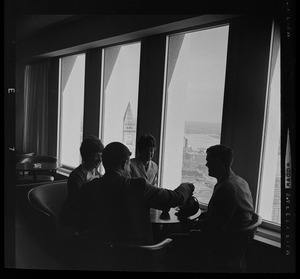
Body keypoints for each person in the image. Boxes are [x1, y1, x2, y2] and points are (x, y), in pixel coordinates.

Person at [78, 141, 195, 245]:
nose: (130, 168)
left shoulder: (88, 187)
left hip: (101, 253)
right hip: (136, 256)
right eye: (129, 164)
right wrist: (187, 186)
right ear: (124, 164)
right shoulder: (138, 186)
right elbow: (175, 198)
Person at [167, 144, 255, 272]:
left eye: (208, 160)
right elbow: (219, 215)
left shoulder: (226, 188)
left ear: (218, 162)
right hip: (238, 245)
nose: (206, 164)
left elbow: (214, 226)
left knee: (170, 239)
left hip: (223, 246)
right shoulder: (240, 182)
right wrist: (201, 216)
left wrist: (193, 224)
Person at [60, 135, 105, 228]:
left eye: (101, 156)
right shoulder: (76, 175)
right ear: (87, 156)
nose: (100, 160)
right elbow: (77, 200)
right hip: (75, 214)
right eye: (97, 156)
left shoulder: (97, 174)